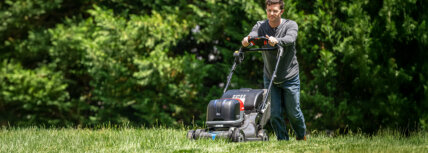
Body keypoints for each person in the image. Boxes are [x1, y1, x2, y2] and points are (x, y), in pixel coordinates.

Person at [241, 0, 306, 141]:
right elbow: (253, 35)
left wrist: (277, 40)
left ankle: (301, 137)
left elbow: (291, 38)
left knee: (293, 112)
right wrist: (247, 40)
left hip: (290, 76)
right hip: (271, 76)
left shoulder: (290, 25)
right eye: (269, 10)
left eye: (275, 11)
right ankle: (283, 141)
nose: (271, 13)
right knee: (275, 114)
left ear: (281, 12)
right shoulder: (260, 26)